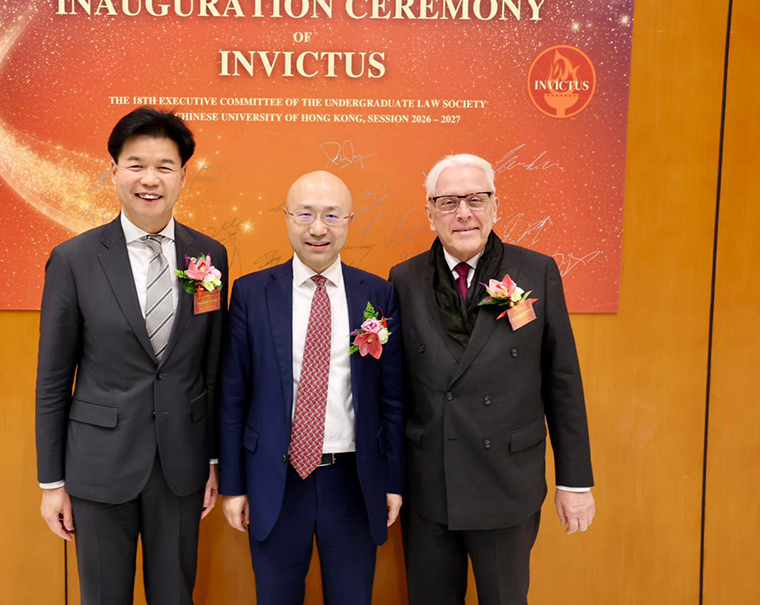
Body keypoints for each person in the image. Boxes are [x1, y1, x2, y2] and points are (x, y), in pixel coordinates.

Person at [35, 107, 227, 605]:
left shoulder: (210, 256)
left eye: (165, 166)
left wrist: (211, 458)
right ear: (114, 170)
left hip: (181, 465)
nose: (150, 179)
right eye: (136, 164)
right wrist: (52, 482)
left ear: (183, 175)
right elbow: (53, 379)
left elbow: (210, 368)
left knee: (175, 596)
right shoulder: (74, 259)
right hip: (99, 466)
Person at [389, 153, 595, 605]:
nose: (463, 213)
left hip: (507, 483)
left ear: (495, 206)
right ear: (429, 213)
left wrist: (575, 481)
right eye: (448, 202)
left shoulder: (536, 271)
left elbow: (562, 381)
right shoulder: (403, 279)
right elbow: (394, 390)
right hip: (430, 486)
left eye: (476, 199)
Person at [218, 171, 404, 605]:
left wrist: (393, 481)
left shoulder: (378, 293)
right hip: (275, 480)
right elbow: (232, 397)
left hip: (354, 482)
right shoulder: (251, 293)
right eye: (305, 214)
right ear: (286, 218)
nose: (318, 228)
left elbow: (392, 399)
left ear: (349, 221)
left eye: (331, 215)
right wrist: (233, 485)